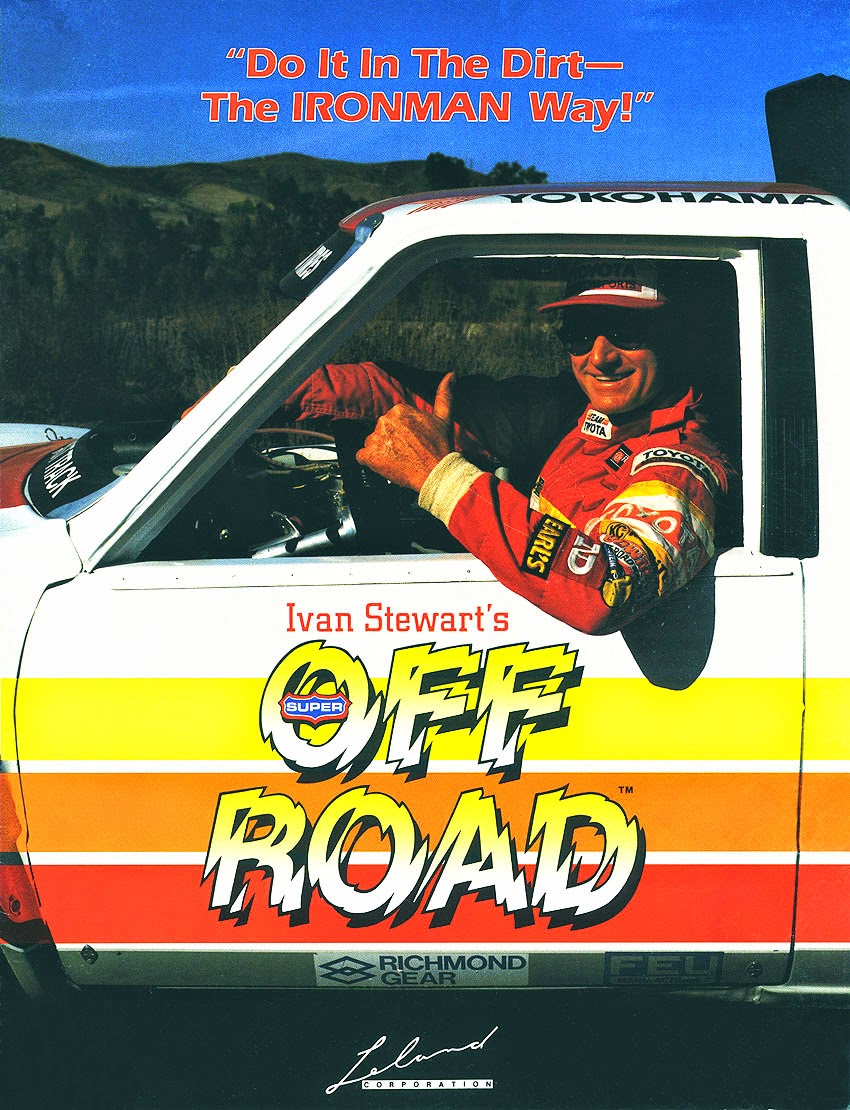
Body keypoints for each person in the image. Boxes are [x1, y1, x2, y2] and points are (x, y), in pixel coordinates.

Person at [282, 262, 731, 635]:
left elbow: (607, 589)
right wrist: (275, 389)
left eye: (626, 332)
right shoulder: (576, 412)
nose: (599, 357)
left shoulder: (680, 466)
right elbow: (416, 398)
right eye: (580, 332)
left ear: (671, 337)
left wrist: (443, 480)